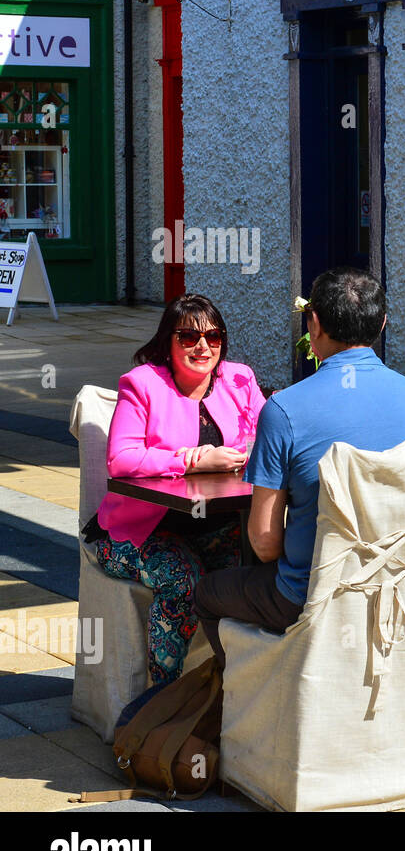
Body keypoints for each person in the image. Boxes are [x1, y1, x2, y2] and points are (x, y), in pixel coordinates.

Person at [194, 267, 405, 669]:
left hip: (309, 597)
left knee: (207, 593)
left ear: (313, 324)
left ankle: (245, 705)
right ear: (382, 324)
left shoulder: (283, 410)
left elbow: (264, 542)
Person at [84, 294, 265, 686]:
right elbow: (122, 459)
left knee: (265, 570)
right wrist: (191, 460)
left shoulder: (239, 380)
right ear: (168, 340)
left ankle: (236, 693)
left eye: (213, 337)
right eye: (188, 336)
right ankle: (162, 699)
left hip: (218, 524)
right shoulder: (143, 384)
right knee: (184, 581)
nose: (203, 346)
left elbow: (262, 441)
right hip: (135, 532)